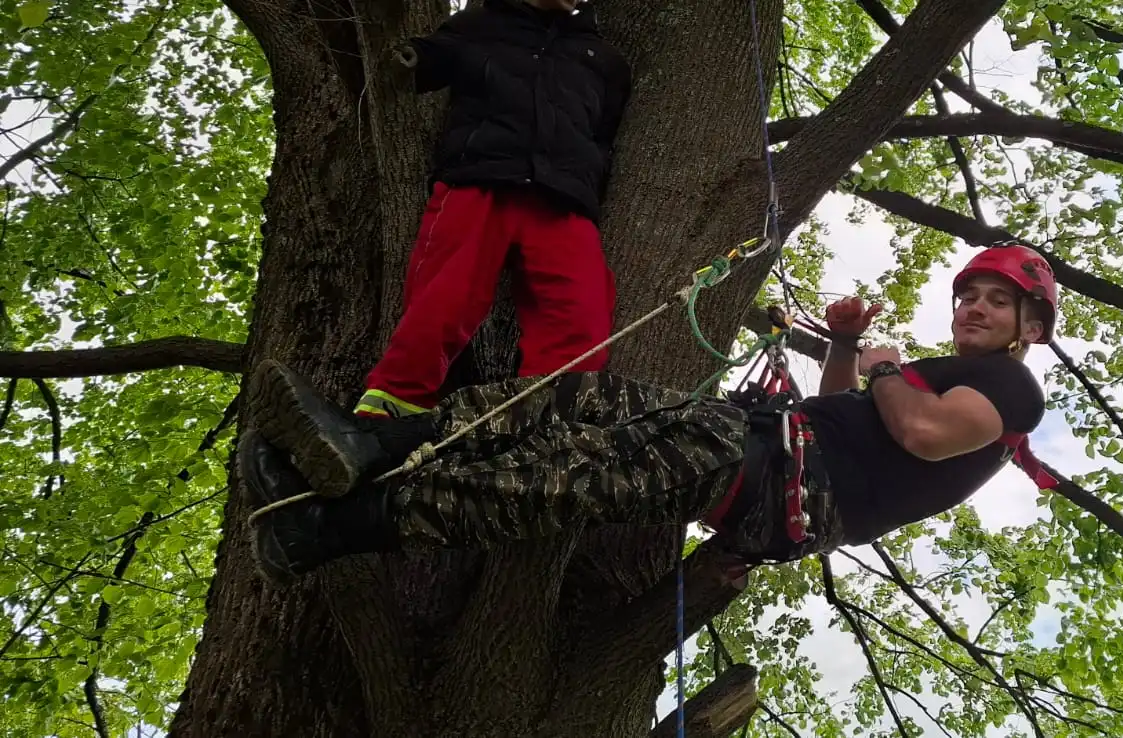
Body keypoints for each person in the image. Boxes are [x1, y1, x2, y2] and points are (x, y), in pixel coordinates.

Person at [238, 246, 1057, 583]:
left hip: (769, 482)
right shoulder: (931, 373)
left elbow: (920, 431)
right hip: (759, 440)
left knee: (559, 478)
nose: (976, 309)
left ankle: (320, 530)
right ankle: (370, 443)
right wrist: (848, 346)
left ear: (1031, 327)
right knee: (571, 398)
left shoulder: (1011, 393)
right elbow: (837, 407)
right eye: (968, 295)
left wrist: (884, 367)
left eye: (998, 301)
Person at [354, 0, 631, 419]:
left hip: (563, 200)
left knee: (581, 317)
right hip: (479, 179)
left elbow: (604, 134)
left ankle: (543, 426)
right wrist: (413, 57)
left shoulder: (604, 60)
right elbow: (431, 57)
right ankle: (390, 407)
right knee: (442, 300)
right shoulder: (481, 24)